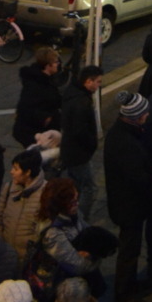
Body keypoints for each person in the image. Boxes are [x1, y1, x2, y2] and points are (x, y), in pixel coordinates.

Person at [103, 90, 152, 302]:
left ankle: (128, 286)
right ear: (135, 116)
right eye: (144, 112)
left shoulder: (125, 133)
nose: (148, 115)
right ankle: (124, 293)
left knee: (131, 248)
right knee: (129, 249)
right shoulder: (125, 142)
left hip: (128, 203)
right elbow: (138, 177)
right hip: (129, 206)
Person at [30, 178, 104, 302]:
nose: (78, 204)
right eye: (73, 201)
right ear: (61, 204)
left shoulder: (73, 215)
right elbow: (78, 266)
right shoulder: (52, 233)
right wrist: (96, 256)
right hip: (64, 291)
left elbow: (91, 236)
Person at [59, 67, 102, 222]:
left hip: (70, 150)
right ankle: (80, 219)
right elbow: (81, 131)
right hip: (79, 154)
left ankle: (70, 213)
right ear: (88, 81)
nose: (98, 86)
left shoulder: (72, 93)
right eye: (97, 82)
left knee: (75, 185)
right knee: (90, 188)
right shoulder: (82, 102)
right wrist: (91, 145)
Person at [0, 150, 46, 263]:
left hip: (28, 259)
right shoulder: (9, 187)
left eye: (16, 169)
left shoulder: (45, 193)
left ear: (27, 172)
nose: (11, 172)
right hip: (4, 254)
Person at [12, 50, 62, 149]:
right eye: (56, 62)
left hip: (42, 130)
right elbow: (25, 109)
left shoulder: (46, 80)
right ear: (48, 66)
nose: (58, 64)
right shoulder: (36, 85)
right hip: (36, 133)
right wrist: (46, 118)